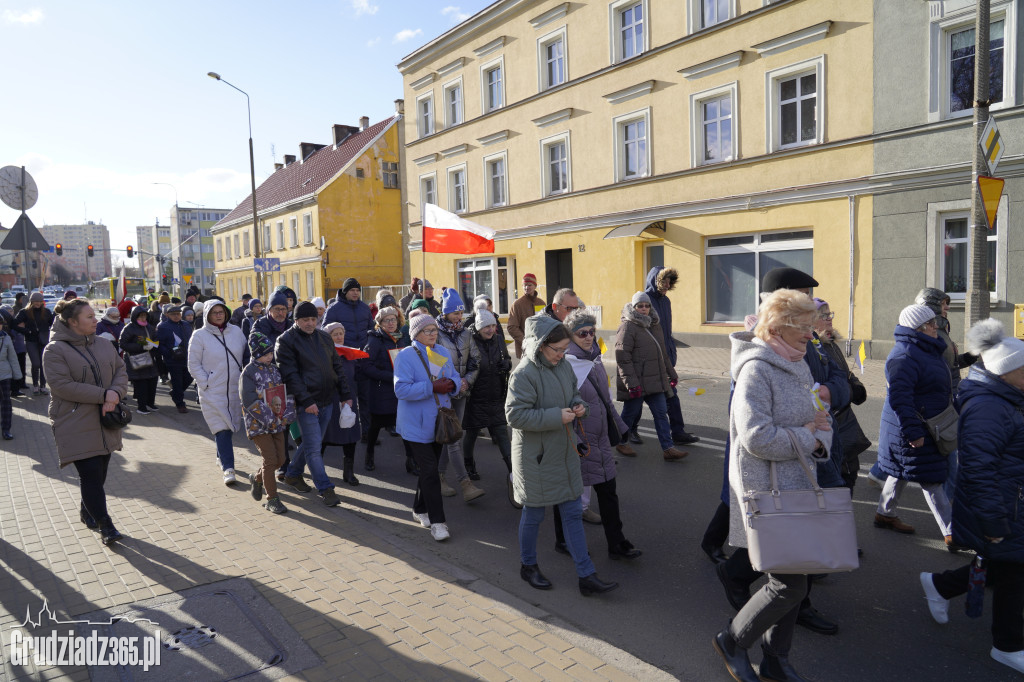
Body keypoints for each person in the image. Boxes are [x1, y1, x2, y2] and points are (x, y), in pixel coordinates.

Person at [712, 289, 833, 682]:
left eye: (813, 326)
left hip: (797, 487)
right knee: (788, 585)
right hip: (768, 493)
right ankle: (732, 640)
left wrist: (820, 436)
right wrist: (808, 436)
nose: (812, 334)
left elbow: (819, 417)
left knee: (798, 579)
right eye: (804, 327)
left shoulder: (797, 362)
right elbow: (757, 438)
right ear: (779, 327)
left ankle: (776, 660)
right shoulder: (756, 369)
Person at [919, 318, 1024, 674]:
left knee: (1003, 566)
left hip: (1011, 501)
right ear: (1006, 372)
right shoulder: (988, 407)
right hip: (1002, 507)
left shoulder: (1008, 396)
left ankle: (940, 585)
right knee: (1013, 573)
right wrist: (994, 523)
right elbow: (979, 470)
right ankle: (1007, 646)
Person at [507, 314, 618, 596]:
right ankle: (528, 565)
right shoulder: (523, 373)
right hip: (535, 457)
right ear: (540, 345)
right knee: (534, 513)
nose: (561, 354)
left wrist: (580, 407)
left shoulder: (564, 366)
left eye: (564, 349)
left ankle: (586, 575)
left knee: (572, 513)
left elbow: (574, 397)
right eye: (557, 349)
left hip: (565, 450)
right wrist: (557, 416)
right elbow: (515, 416)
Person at [42, 298, 129, 546]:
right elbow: (61, 385)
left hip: (106, 419)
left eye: (94, 315)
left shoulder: (103, 344)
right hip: (74, 420)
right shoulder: (55, 350)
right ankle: (105, 524)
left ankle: (86, 510)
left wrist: (115, 393)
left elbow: (120, 371)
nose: (95, 320)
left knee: (100, 473)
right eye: (89, 317)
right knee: (90, 474)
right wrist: (104, 395)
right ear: (72, 321)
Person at [559, 309, 641, 559]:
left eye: (591, 332)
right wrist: (576, 441)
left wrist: (620, 427)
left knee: (608, 493)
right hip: (580, 441)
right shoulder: (566, 365)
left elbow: (605, 400)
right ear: (570, 336)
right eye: (582, 333)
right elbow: (561, 408)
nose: (588, 337)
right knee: (569, 495)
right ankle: (563, 540)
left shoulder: (594, 359)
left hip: (601, 438)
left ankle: (617, 542)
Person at [873, 304, 954, 544]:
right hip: (913, 428)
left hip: (927, 424)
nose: (936, 327)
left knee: (901, 470)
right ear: (918, 328)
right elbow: (900, 399)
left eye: (935, 322)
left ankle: (885, 514)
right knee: (930, 478)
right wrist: (912, 432)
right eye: (931, 324)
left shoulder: (925, 348)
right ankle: (952, 531)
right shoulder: (904, 356)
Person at [394, 312, 461, 541]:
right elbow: (401, 389)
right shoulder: (405, 355)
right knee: (431, 471)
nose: (433, 334)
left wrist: (452, 384)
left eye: (434, 330)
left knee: (428, 471)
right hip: (414, 425)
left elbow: (455, 376)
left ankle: (419, 508)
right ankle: (438, 523)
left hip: (439, 422)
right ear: (416, 334)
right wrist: (431, 387)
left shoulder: (442, 351)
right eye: (427, 331)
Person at [277, 302, 351, 507]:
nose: (310, 323)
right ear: (296, 320)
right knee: (313, 448)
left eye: (313, 319)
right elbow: (290, 375)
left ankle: (293, 474)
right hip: (306, 404)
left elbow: (337, 367)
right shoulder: (286, 341)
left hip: (327, 400)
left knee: (313, 443)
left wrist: (345, 394)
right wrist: (307, 401)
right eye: (305, 320)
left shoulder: (324, 337)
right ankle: (326, 488)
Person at [914, 287, 979, 502]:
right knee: (950, 450)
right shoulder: (933, 336)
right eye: (943, 304)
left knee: (947, 450)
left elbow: (950, 365)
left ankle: (881, 481)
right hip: (943, 403)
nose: (948, 308)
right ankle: (950, 505)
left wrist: (969, 357)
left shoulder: (941, 332)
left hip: (948, 398)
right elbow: (936, 372)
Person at [615, 292, 688, 461]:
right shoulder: (627, 327)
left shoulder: (654, 325)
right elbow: (623, 358)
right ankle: (621, 442)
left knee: (661, 414)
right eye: (640, 306)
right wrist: (631, 384)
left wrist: (672, 374)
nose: (644, 309)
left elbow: (663, 354)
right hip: (637, 383)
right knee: (629, 414)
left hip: (655, 382)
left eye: (647, 305)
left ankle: (668, 449)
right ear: (634, 307)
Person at [812, 298, 870, 489]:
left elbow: (845, 374)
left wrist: (856, 385)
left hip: (846, 422)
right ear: (811, 320)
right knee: (841, 478)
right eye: (824, 316)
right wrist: (849, 391)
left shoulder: (831, 344)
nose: (829, 319)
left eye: (830, 314)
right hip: (833, 420)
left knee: (850, 471)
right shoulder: (815, 348)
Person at [188, 300, 247, 485]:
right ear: (207, 315)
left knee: (230, 425)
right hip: (212, 390)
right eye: (215, 312)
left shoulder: (236, 332)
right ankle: (228, 468)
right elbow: (193, 364)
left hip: (234, 388)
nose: (219, 315)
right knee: (221, 427)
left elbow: (246, 355)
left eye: (222, 311)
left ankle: (220, 455)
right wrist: (206, 383)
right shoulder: (199, 336)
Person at [434, 289, 485, 502]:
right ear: (445, 313)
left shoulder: (466, 333)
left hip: (461, 392)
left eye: (461, 312)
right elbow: (433, 366)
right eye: (455, 313)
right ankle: (466, 484)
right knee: (453, 437)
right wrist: (448, 383)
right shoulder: (435, 333)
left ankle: (439, 477)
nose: (459, 316)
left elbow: (475, 360)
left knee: (451, 435)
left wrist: (466, 381)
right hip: (443, 394)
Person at [642, 266, 699, 446]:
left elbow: (667, 332)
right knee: (636, 400)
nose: (667, 285)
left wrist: (671, 351)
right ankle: (628, 432)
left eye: (669, 282)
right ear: (655, 281)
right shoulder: (645, 301)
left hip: (666, 357)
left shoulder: (666, 301)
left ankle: (678, 432)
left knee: (671, 395)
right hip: (650, 359)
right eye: (664, 281)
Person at [240, 331, 296, 514]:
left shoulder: (274, 369)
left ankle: (257, 478)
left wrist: (287, 413)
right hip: (258, 425)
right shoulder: (248, 372)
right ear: (256, 354)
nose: (269, 357)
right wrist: (270, 419)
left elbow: (283, 392)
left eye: (271, 353)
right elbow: (249, 401)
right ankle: (272, 499)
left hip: (277, 423)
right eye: (265, 354)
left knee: (281, 459)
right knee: (270, 460)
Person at [462, 306, 514, 499]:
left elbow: (507, 359)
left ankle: (513, 472)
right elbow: (465, 367)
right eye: (487, 327)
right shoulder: (469, 341)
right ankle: (469, 465)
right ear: (478, 327)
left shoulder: (499, 340)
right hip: (476, 396)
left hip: (495, 395)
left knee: (501, 431)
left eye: (493, 326)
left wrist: (506, 365)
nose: (491, 330)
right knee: (472, 432)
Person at [322, 277, 374, 434]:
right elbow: (325, 332)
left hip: (362, 356)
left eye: (358, 290)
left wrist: (368, 345)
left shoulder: (364, 308)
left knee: (365, 396)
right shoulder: (334, 309)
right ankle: (345, 430)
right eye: (352, 290)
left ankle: (366, 431)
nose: (355, 293)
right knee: (346, 395)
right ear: (345, 292)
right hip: (343, 359)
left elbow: (371, 329)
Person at [362, 306, 408, 472]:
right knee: (375, 426)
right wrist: (390, 376)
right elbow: (366, 366)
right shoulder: (374, 340)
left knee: (404, 427)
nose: (391, 323)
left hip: (399, 391)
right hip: (381, 391)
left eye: (393, 319)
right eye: (386, 320)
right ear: (380, 323)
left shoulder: (399, 338)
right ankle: (369, 455)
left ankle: (411, 461)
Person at [321, 322, 364, 487]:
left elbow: (357, 375)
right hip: (330, 399)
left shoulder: (349, 353)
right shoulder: (323, 354)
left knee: (350, 435)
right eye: (335, 334)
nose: (339, 337)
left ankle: (349, 472)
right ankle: (318, 471)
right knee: (325, 435)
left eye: (341, 333)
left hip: (349, 398)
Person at [118, 306, 160, 414]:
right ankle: (141, 407)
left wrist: (154, 344)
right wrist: (141, 347)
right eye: (140, 316)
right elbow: (122, 344)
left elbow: (155, 338)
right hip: (136, 360)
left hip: (150, 359)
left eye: (144, 316)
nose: (143, 318)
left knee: (152, 381)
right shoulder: (129, 328)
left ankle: (150, 403)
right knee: (142, 384)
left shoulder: (149, 327)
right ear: (135, 316)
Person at [156, 305, 193, 413]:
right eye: (173, 314)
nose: (176, 316)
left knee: (189, 377)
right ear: (167, 315)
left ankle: (175, 393)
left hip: (187, 357)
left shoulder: (186, 324)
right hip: (173, 359)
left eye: (178, 314)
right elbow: (159, 344)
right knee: (177, 382)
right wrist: (168, 353)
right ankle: (180, 403)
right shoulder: (163, 326)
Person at [15, 292, 54, 395]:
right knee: (36, 364)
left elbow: (53, 324)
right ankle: (35, 385)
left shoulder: (46, 312)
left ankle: (42, 386)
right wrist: (27, 331)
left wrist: (50, 333)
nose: (38, 303)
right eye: (36, 301)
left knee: (43, 364)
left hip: (44, 341)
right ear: (31, 301)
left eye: (40, 301)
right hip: (31, 341)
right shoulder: (24, 312)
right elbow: (14, 324)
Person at [507, 273, 545, 359]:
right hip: (525, 350)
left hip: (540, 348)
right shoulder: (517, 304)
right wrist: (526, 342)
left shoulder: (541, 303)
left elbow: (545, 323)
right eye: (524, 285)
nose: (527, 287)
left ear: (535, 286)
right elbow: (512, 327)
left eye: (529, 285)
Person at [247, 291, 290, 365]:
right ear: (269, 309)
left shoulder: (291, 326)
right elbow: (256, 354)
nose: (280, 313)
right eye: (277, 309)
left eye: (283, 309)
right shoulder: (259, 326)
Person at [0, 314, 23, 439]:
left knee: (6, 402)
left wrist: (17, 375)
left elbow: (13, 357)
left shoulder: (6, 338)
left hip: (4, 374)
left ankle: (6, 429)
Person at [1, 305, 27, 397]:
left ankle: (16, 388)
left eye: (11, 311)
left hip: (14, 347)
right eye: (9, 311)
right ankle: (15, 388)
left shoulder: (7, 317)